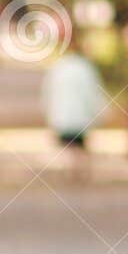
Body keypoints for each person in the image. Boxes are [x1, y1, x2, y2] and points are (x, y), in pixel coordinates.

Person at [41, 34, 108, 184]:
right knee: (79, 145)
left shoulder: (58, 67)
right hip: (80, 115)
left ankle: (73, 170)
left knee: (70, 145)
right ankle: (80, 170)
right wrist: (98, 111)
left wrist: (50, 113)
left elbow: (49, 93)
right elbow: (94, 92)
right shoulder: (85, 68)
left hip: (65, 115)